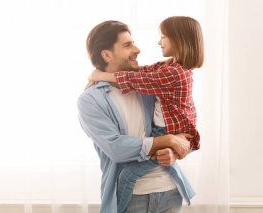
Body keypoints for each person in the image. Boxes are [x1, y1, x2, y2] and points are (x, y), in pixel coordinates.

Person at [87, 16, 203, 212]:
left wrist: (174, 150)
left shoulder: (152, 85)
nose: (138, 49)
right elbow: (116, 149)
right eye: (128, 45)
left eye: (163, 37)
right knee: (127, 176)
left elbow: (186, 137)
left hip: (170, 191)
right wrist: (169, 140)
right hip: (135, 198)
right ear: (107, 55)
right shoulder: (92, 99)